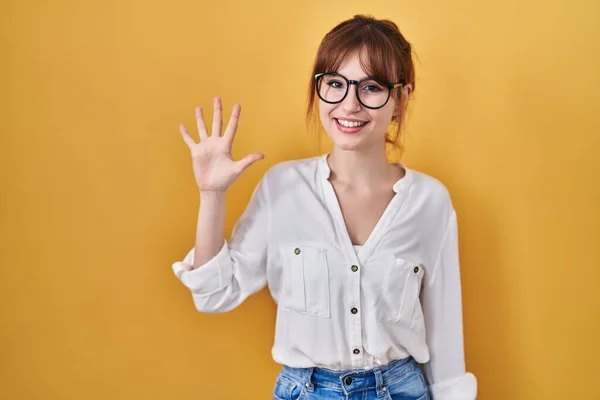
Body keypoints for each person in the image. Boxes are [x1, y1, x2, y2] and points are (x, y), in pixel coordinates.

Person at [172, 14, 477, 400]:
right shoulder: (283, 188)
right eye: (334, 83)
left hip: (402, 390)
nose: (349, 104)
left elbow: (445, 335)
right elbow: (214, 295)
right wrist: (211, 195)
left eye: (371, 87)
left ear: (400, 98)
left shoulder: (431, 202)